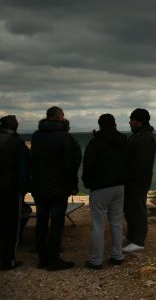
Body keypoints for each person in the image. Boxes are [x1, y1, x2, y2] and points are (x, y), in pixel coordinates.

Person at [30, 107, 81, 271]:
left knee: (41, 222)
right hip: (59, 187)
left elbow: (33, 160)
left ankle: (42, 259)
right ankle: (54, 259)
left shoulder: (36, 136)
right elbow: (69, 165)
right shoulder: (65, 137)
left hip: (39, 186)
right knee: (57, 223)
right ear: (60, 118)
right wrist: (73, 185)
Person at [82, 114, 127, 269]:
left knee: (98, 224)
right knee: (116, 222)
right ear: (114, 124)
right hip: (120, 186)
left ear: (100, 125)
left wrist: (87, 183)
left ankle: (96, 260)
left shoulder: (95, 143)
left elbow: (88, 165)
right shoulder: (123, 140)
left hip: (100, 187)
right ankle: (117, 255)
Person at [123, 108, 156, 253]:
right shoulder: (137, 136)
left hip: (138, 181)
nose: (130, 122)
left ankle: (139, 241)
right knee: (129, 208)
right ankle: (132, 236)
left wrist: (132, 177)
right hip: (131, 180)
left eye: (132, 120)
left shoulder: (145, 138)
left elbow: (141, 163)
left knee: (138, 209)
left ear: (140, 122)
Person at [0, 115, 29, 270]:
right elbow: (23, 170)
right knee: (10, 226)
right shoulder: (18, 144)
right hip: (10, 190)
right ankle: (8, 260)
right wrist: (23, 189)